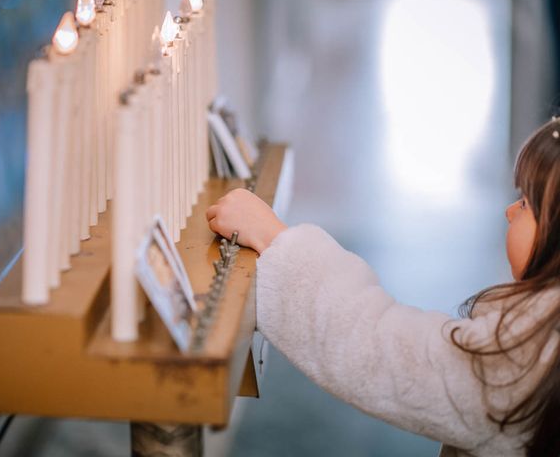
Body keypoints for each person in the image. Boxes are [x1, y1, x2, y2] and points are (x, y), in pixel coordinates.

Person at [205, 120, 560, 457]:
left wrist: (276, 240)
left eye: (526, 202)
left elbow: (382, 349)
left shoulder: (528, 358)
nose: (510, 211)